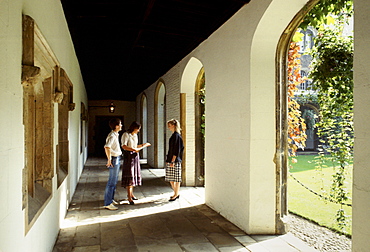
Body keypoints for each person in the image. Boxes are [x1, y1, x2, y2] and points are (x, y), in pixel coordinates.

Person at [121, 121, 151, 205]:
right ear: (134, 128)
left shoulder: (135, 135)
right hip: (129, 156)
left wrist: (143, 145)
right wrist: (133, 150)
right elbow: (124, 146)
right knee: (130, 175)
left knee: (134, 175)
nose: (138, 131)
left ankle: (131, 194)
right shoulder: (126, 135)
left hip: (135, 156)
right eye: (138, 129)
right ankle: (129, 197)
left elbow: (135, 146)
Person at [103, 118, 123, 210]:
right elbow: (107, 147)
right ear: (116, 126)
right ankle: (108, 203)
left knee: (114, 181)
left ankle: (110, 199)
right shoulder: (112, 136)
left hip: (117, 158)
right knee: (111, 182)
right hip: (114, 159)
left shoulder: (115, 134)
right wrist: (109, 159)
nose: (121, 125)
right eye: (120, 124)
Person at [166, 119, 184, 201]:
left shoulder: (177, 136)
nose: (168, 127)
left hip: (175, 160)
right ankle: (176, 193)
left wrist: (173, 160)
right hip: (171, 159)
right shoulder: (174, 135)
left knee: (176, 178)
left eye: (169, 125)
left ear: (173, 125)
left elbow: (176, 150)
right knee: (170, 178)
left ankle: (176, 194)